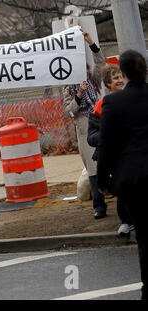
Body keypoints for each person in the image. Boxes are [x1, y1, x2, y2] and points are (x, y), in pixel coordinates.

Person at [97, 50, 148, 300]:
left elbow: (105, 144)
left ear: (124, 73)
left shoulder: (114, 103)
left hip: (134, 178)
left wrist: (103, 180)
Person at [63, 28, 107, 219]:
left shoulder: (94, 81)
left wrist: (91, 43)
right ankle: (99, 207)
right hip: (84, 131)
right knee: (93, 171)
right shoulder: (68, 88)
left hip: (100, 125)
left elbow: (101, 63)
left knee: (108, 166)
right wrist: (79, 95)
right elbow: (70, 111)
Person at [87, 64, 134, 237]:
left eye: (121, 76)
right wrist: (107, 136)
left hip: (132, 154)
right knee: (123, 189)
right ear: (107, 85)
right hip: (114, 157)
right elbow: (91, 137)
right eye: (115, 78)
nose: (120, 80)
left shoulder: (133, 99)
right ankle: (126, 222)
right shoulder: (101, 106)